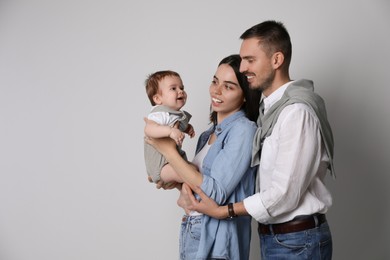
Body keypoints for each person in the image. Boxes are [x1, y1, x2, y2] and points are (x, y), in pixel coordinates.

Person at [182, 20, 336, 259]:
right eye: (242, 60)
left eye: (250, 60)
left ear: (276, 60)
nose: (242, 68)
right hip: (278, 238)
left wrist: (225, 211)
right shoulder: (269, 112)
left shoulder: (296, 113)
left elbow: (284, 195)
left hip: (297, 242)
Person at [145, 54, 261, 259]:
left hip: (218, 241)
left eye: (228, 86)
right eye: (215, 81)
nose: (216, 90)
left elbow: (215, 193)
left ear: (245, 96)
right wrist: (175, 184)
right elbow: (196, 186)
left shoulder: (244, 130)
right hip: (193, 229)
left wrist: (169, 153)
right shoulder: (207, 134)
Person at [144, 70, 195, 184]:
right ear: (158, 99)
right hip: (161, 165)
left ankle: (185, 196)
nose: (180, 91)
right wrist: (170, 131)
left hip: (173, 159)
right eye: (173, 88)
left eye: (181, 88)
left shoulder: (175, 114)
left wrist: (187, 128)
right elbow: (149, 129)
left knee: (195, 169)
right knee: (188, 175)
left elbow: (177, 126)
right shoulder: (160, 113)